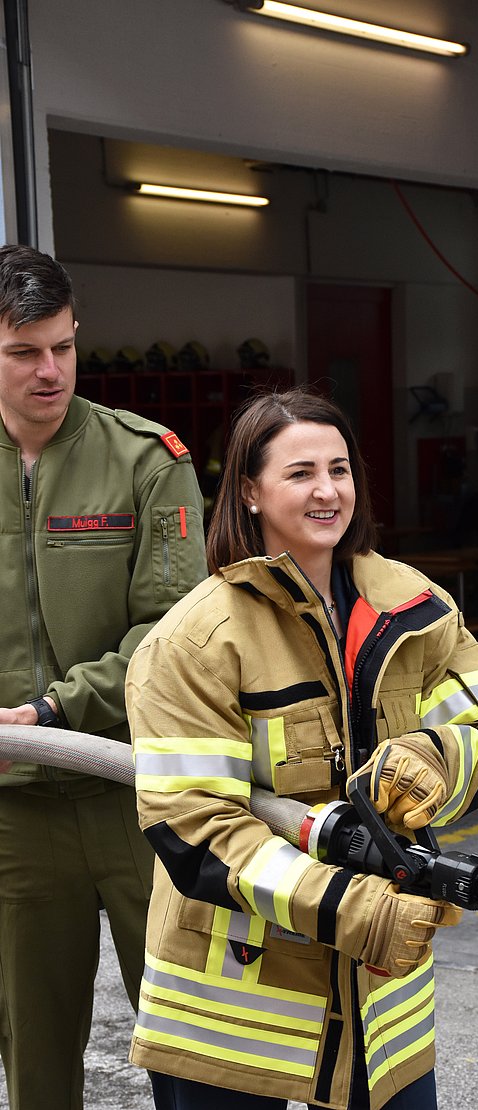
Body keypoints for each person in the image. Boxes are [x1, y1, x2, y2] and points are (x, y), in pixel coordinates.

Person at [125, 387, 478, 1110]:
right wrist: (347, 904)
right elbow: (196, 832)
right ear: (249, 492)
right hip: (233, 1001)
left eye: (339, 469)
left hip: (376, 998)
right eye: (301, 472)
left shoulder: (412, 607)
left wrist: (439, 757)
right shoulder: (194, 639)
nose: (327, 491)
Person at [0, 243, 208, 1110]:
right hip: (13, 810)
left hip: (135, 793)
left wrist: (54, 707)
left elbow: (173, 630)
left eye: (62, 345)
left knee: (191, 1036)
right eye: (22, 352)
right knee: (35, 1050)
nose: (50, 370)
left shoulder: (147, 461)